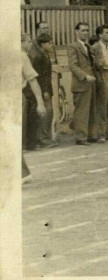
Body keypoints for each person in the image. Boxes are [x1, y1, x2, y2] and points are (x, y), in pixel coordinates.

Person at [22, 34, 48, 183]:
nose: (30, 44)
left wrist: (40, 102)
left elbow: (32, 80)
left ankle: (22, 173)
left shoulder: (22, 57)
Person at [68, 22, 98, 145]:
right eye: (83, 30)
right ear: (77, 32)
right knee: (81, 111)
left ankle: (91, 134)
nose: (85, 33)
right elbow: (73, 65)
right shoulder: (73, 47)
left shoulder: (88, 47)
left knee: (91, 110)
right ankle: (81, 137)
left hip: (91, 83)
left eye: (87, 30)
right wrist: (85, 76)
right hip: (81, 83)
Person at [26, 33, 56, 149]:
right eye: (49, 43)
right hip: (44, 89)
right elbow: (40, 76)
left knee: (49, 113)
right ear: (42, 44)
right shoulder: (38, 57)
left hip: (47, 88)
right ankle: (42, 138)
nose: (51, 45)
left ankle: (45, 137)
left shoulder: (45, 54)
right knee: (45, 113)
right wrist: (44, 91)